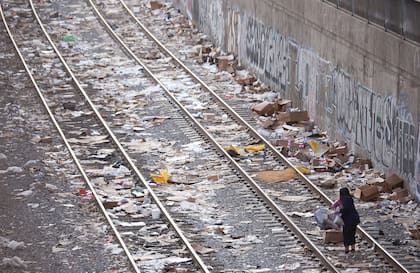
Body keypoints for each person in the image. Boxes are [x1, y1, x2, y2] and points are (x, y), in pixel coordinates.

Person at [339, 187, 360, 253]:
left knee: (346, 234)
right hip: (354, 219)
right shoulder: (350, 199)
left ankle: (347, 249)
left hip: (347, 220)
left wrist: (339, 212)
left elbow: (345, 209)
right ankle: (353, 247)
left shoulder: (344, 200)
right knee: (352, 234)